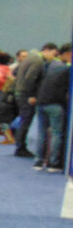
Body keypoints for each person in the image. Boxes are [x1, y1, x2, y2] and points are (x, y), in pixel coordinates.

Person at [13, 42, 59, 158]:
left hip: (21, 92)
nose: (54, 57)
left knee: (24, 121)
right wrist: (31, 95)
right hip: (26, 95)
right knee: (26, 121)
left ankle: (20, 146)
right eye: (54, 53)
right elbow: (30, 78)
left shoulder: (31, 58)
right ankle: (20, 147)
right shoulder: (37, 61)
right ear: (47, 50)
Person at [33, 43, 71, 172]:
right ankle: (53, 163)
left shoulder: (48, 66)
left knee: (42, 133)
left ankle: (38, 161)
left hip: (41, 102)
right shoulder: (66, 69)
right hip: (56, 103)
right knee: (56, 134)